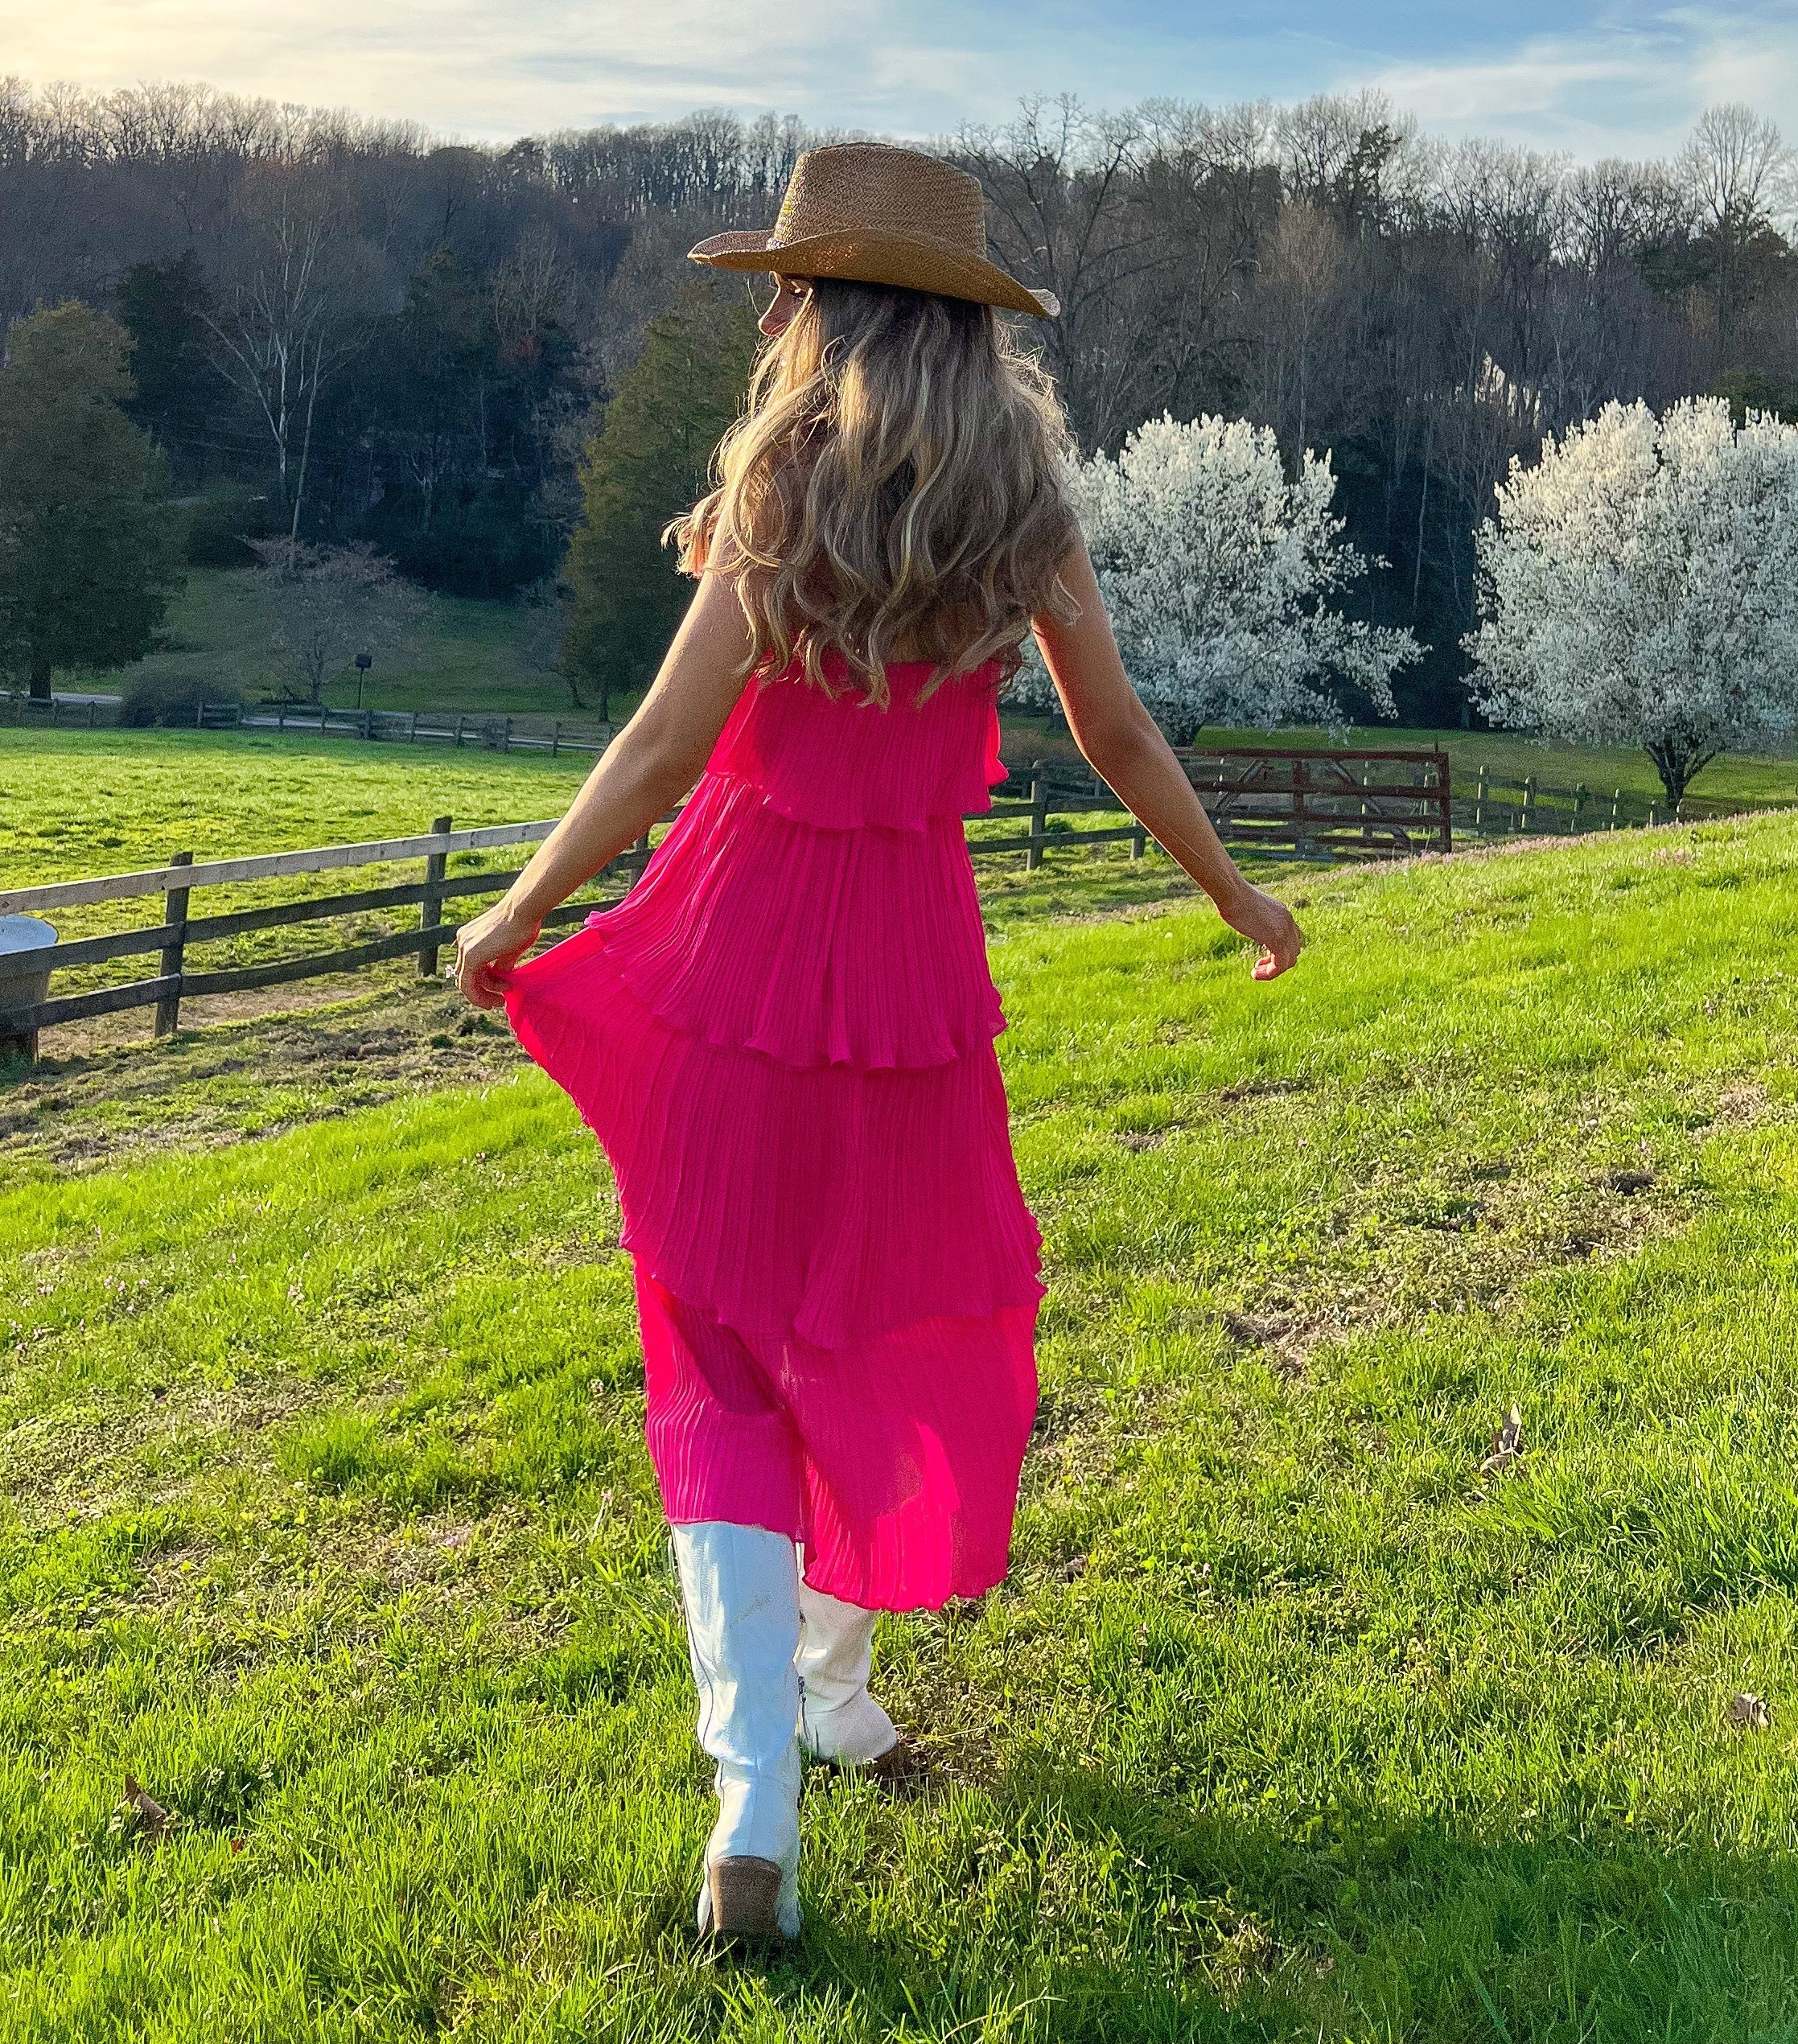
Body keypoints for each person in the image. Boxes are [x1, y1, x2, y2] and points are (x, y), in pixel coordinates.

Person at [454, 142, 1303, 1951]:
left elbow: (661, 747)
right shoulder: (1021, 504)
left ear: (829, 304)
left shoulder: (781, 482)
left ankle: (758, 1783)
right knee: (880, 1315)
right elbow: (1120, 737)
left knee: (717, 1353)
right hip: (911, 993)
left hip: (736, 965)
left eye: (788, 282)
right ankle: (834, 1689)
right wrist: (1237, 894)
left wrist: (520, 909)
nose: (770, 308)